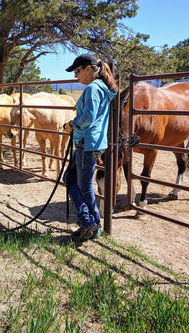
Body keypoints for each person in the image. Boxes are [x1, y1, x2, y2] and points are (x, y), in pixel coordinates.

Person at [63, 53, 117, 241]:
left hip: (87, 142)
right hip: (90, 141)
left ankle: (90, 223)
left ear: (88, 69)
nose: (76, 77)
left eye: (77, 72)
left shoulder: (93, 88)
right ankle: (89, 222)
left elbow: (88, 117)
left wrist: (71, 124)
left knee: (83, 185)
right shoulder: (101, 87)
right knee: (71, 179)